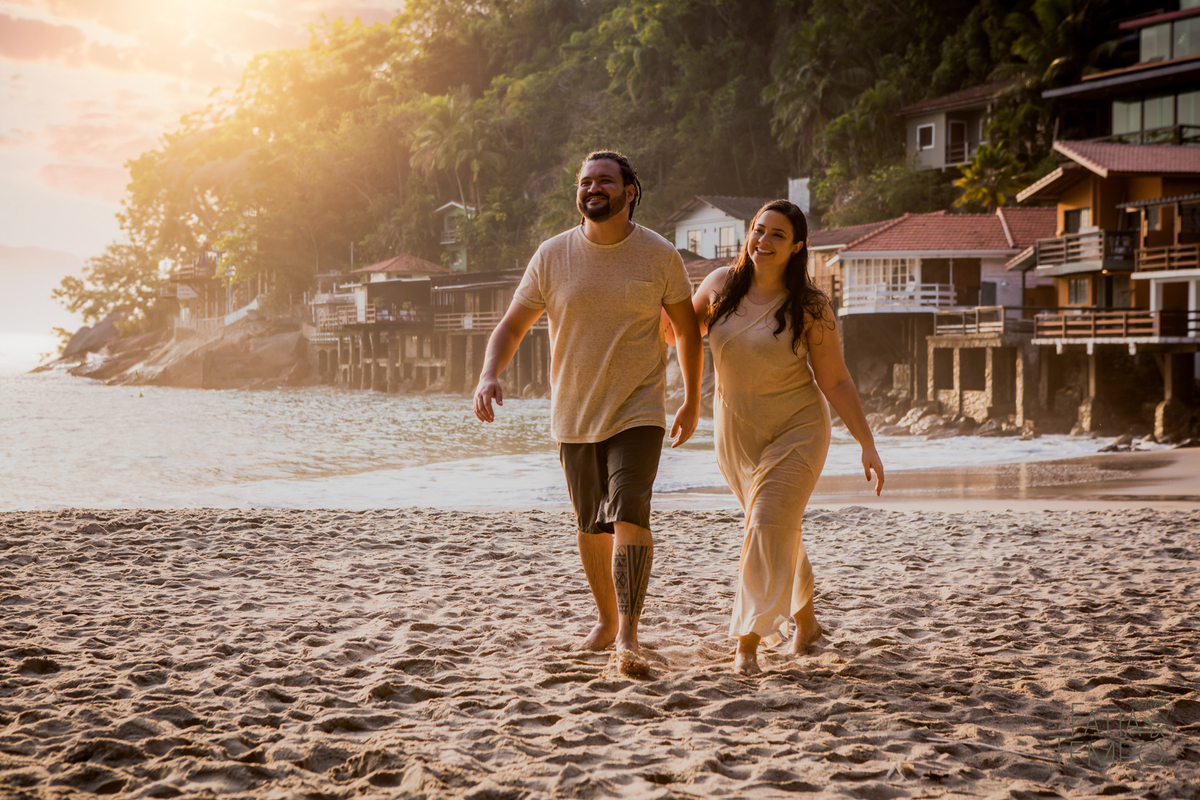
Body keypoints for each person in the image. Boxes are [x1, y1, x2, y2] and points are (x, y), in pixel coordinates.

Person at [473, 150, 703, 676]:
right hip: (574, 413)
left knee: (628, 512)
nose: (592, 188)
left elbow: (687, 330)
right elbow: (511, 326)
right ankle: (604, 620)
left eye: (604, 180)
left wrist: (691, 397)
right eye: (584, 182)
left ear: (630, 192)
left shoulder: (659, 255)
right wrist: (489, 373)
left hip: (639, 409)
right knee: (590, 525)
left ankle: (628, 632)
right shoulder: (552, 256)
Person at [665, 199, 883, 675]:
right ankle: (806, 622)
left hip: (798, 429)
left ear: (796, 246)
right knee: (777, 529)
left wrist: (867, 442)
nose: (762, 241)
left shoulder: (809, 305)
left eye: (776, 235)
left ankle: (747, 641)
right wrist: (689, 399)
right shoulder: (721, 285)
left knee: (764, 524)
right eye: (758, 231)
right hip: (736, 432)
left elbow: (837, 380)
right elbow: (678, 332)